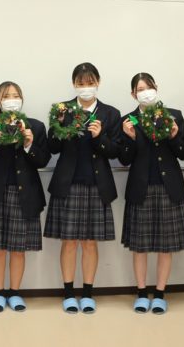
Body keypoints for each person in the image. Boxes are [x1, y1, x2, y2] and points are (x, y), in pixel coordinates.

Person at [43, 62, 121, 314]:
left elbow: (114, 151)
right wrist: (60, 127)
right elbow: (52, 148)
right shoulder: (62, 109)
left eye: (90, 83)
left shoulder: (110, 113)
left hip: (97, 185)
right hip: (68, 184)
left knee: (89, 243)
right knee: (69, 242)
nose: (86, 87)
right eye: (81, 83)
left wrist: (100, 137)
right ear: (74, 84)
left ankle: (87, 294)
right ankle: (68, 293)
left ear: (98, 82)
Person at [119, 73, 184, 314]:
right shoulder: (128, 120)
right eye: (140, 89)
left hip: (169, 187)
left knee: (165, 246)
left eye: (148, 87)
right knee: (139, 247)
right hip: (140, 188)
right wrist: (130, 138)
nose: (145, 92)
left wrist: (174, 136)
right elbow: (124, 159)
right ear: (133, 94)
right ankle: (141, 293)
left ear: (156, 88)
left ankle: (160, 294)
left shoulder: (173, 115)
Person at [0, 81, 50, 313]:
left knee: (18, 249)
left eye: (16, 95)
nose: (11, 99)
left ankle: (15, 293)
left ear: (22, 99)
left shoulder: (35, 127)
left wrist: (29, 144)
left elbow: (43, 160)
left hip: (25, 194)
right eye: (6, 96)